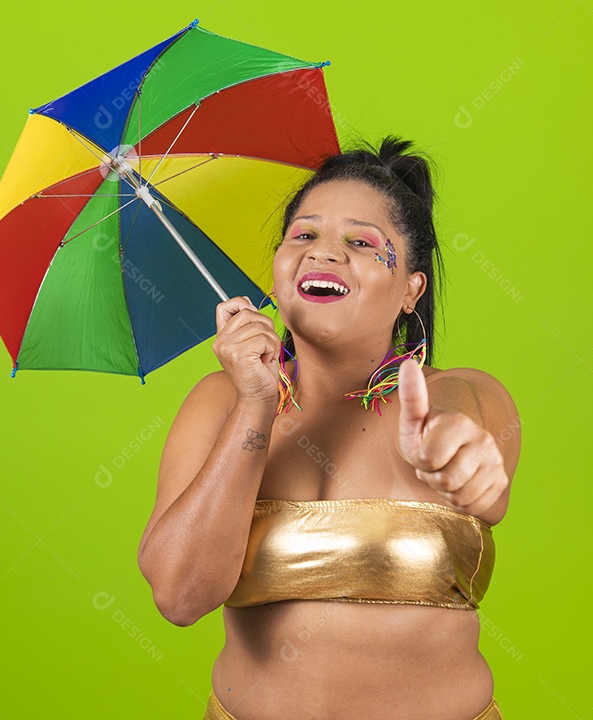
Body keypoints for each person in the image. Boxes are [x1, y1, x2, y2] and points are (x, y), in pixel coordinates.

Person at [138, 137, 522, 720]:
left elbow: (468, 436)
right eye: (304, 235)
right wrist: (254, 405)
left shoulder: (457, 391)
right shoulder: (221, 402)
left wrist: (462, 456)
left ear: (411, 289)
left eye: (361, 242)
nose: (324, 253)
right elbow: (180, 596)